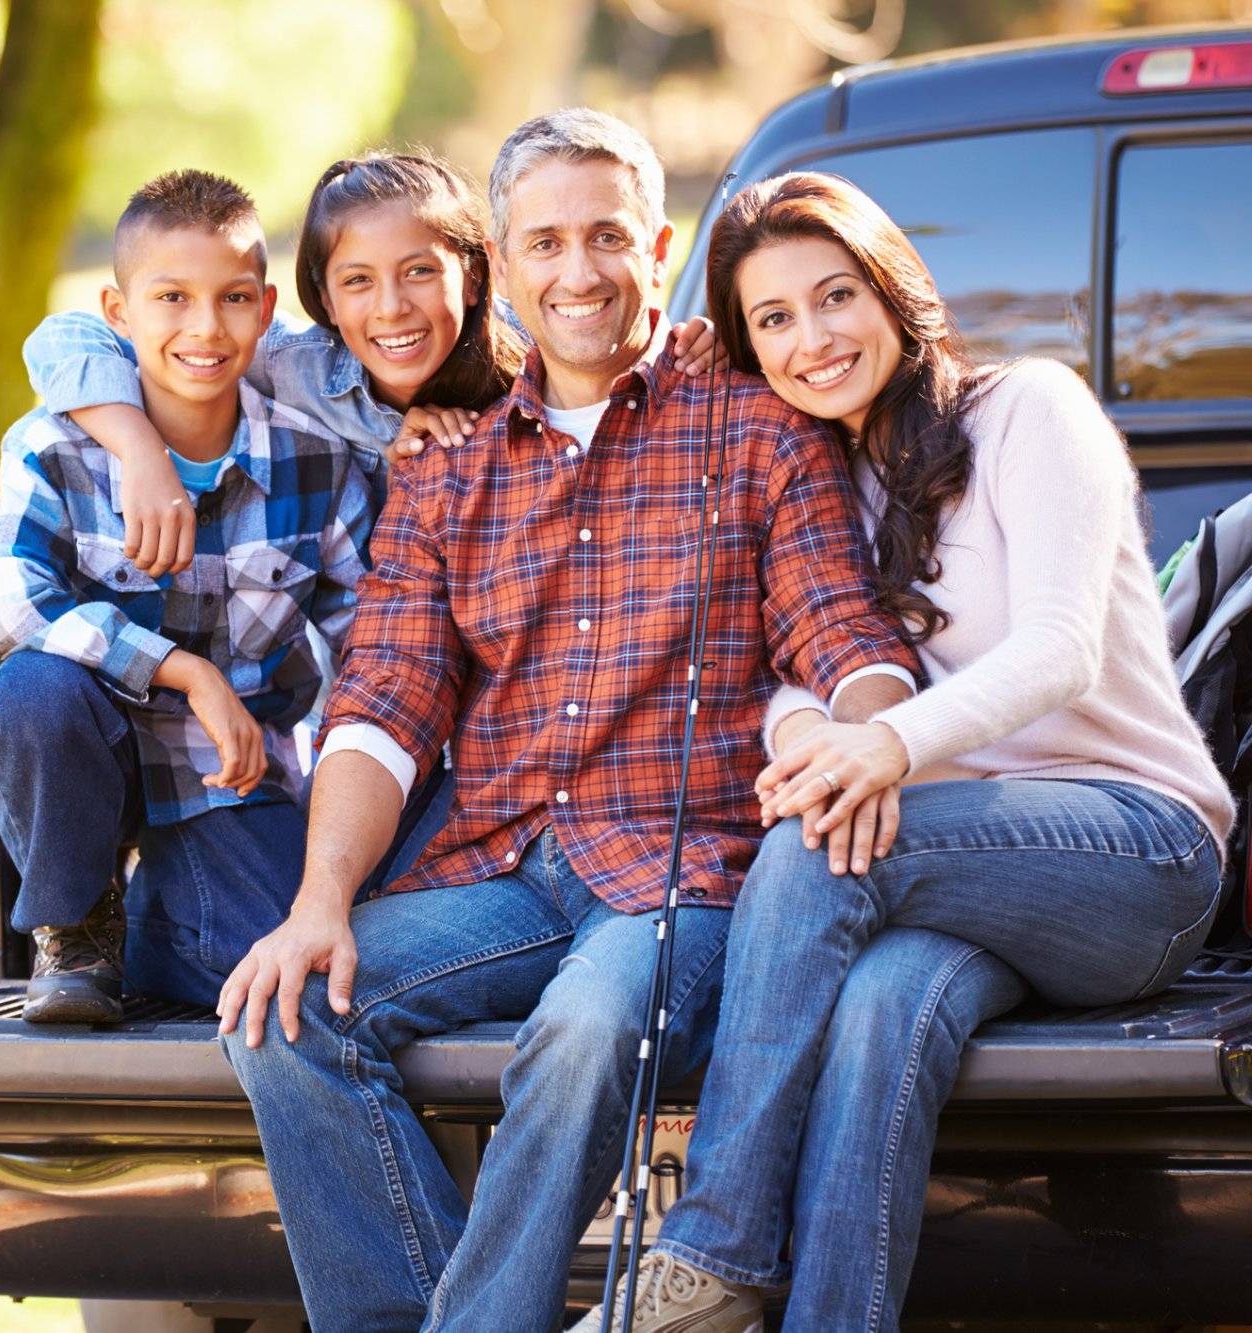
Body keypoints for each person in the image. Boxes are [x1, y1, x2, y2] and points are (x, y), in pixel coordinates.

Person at [213, 112, 922, 1332]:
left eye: (605, 235)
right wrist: (320, 903)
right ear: (504, 261)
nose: (578, 270)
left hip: (683, 877)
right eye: (544, 242)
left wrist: (875, 736)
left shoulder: (757, 432)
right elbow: (382, 703)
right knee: (280, 1018)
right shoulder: (447, 470)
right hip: (504, 869)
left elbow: (841, 633)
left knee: (583, 1027)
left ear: (655, 244)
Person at [595, 172, 1234, 1333]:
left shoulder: (1027, 410)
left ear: (891, 289)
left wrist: (879, 746)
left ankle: (717, 1246)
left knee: (807, 852)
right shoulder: (817, 482)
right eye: (771, 320)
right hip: (949, 871)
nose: (811, 338)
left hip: (1130, 850)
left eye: (832, 295)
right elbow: (788, 677)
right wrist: (815, 744)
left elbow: (1058, 650)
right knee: (887, 1001)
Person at [0, 169, 374, 1023]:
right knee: (33, 688)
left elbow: (369, 635)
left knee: (282, 972)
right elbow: (10, 600)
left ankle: (156, 929)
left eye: (232, 299)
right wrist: (187, 671)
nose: (204, 327)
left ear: (266, 312)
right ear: (119, 315)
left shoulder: (313, 459)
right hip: (93, 753)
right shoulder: (56, 447)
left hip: (228, 776)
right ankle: (78, 927)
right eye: (171, 298)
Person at [20, 149, 722, 578]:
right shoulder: (286, 364)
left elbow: (618, 340)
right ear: (321, 295)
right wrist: (139, 451)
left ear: (476, 276)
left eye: (420, 272)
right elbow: (63, 338)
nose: (391, 309)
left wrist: (691, 347)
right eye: (357, 281)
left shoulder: (535, 347)